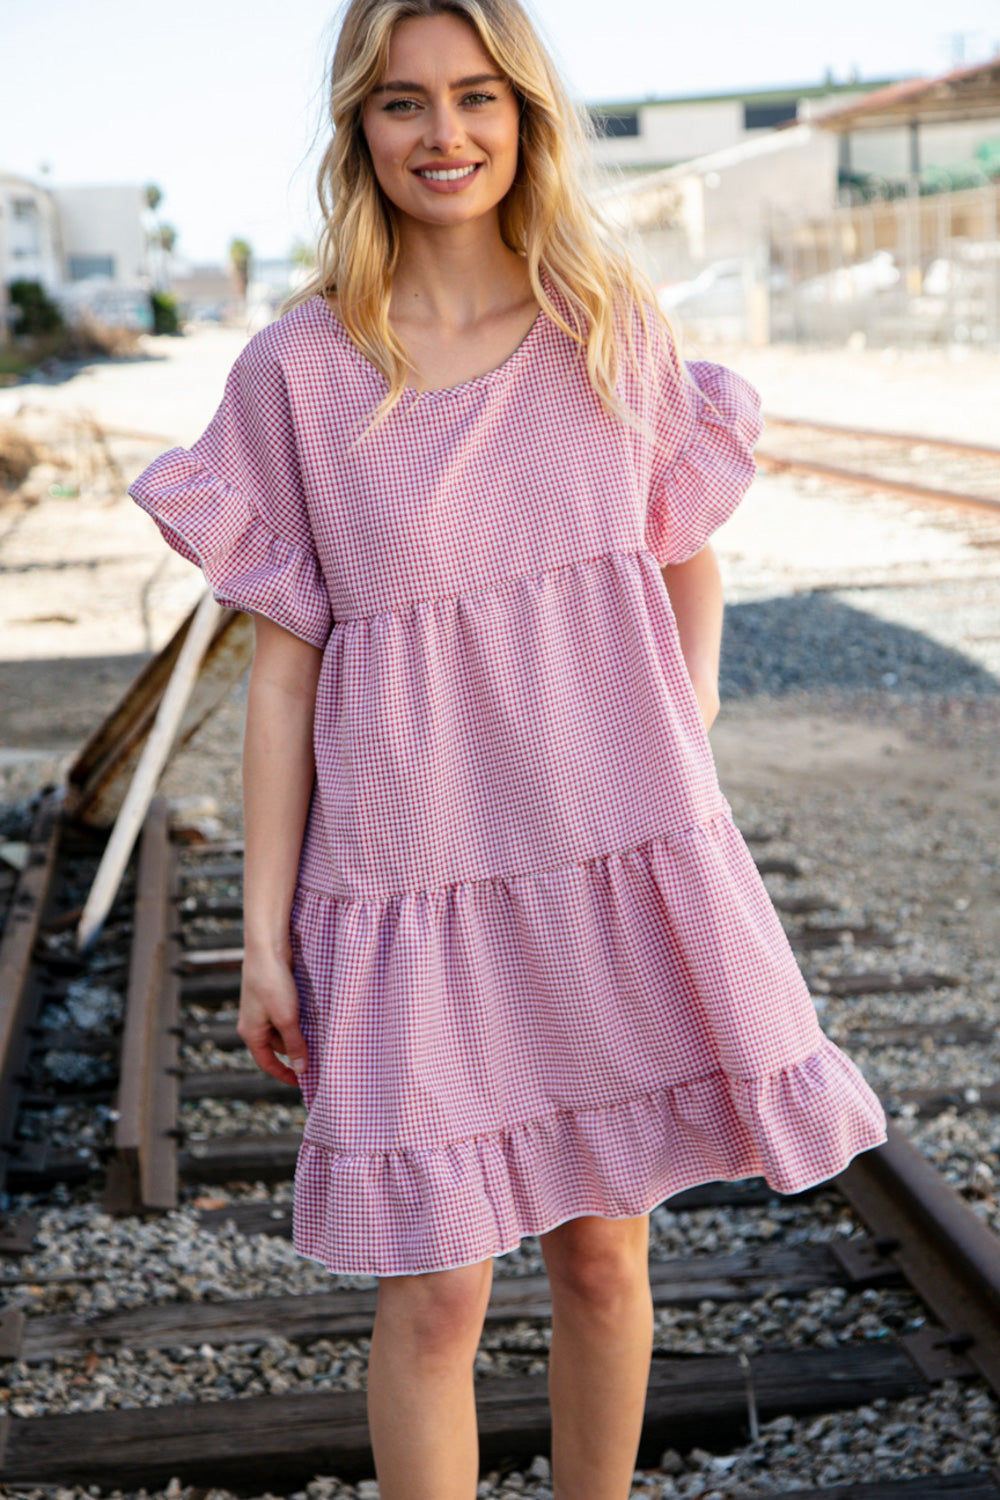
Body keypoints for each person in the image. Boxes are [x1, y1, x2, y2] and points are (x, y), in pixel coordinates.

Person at [128, 2, 887, 1496]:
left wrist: (684, 727)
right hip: (410, 877)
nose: (444, 134)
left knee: (604, 1258)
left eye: (477, 96)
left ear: (525, 115)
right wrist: (265, 938)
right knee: (437, 1290)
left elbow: (685, 553)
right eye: (403, 102)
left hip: (602, 852)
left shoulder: (604, 326)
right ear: (360, 128)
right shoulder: (300, 371)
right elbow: (283, 672)